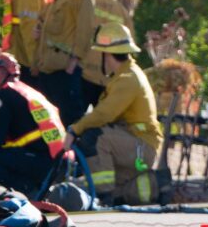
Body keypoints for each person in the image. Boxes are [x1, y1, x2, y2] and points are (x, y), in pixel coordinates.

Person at [63, 22, 163, 206]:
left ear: (107, 54)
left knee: (96, 137)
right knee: (93, 148)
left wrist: (74, 130)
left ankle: (103, 195)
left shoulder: (128, 79)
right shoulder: (124, 76)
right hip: (134, 145)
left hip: (141, 147)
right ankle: (109, 193)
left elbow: (103, 114)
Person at [0, 49, 68, 196]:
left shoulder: (3, 96)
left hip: (44, 164)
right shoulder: (26, 92)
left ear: (0, 73)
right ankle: (35, 190)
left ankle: (28, 192)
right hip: (58, 162)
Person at [33, 0, 96, 127]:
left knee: (69, 122)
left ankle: (73, 156)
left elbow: (85, 33)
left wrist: (72, 64)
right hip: (48, 71)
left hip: (64, 73)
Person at [81, 0, 133, 110]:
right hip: (107, 80)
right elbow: (128, 49)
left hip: (80, 74)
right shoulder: (122, 12)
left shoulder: (84, 1)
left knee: (72, 124)